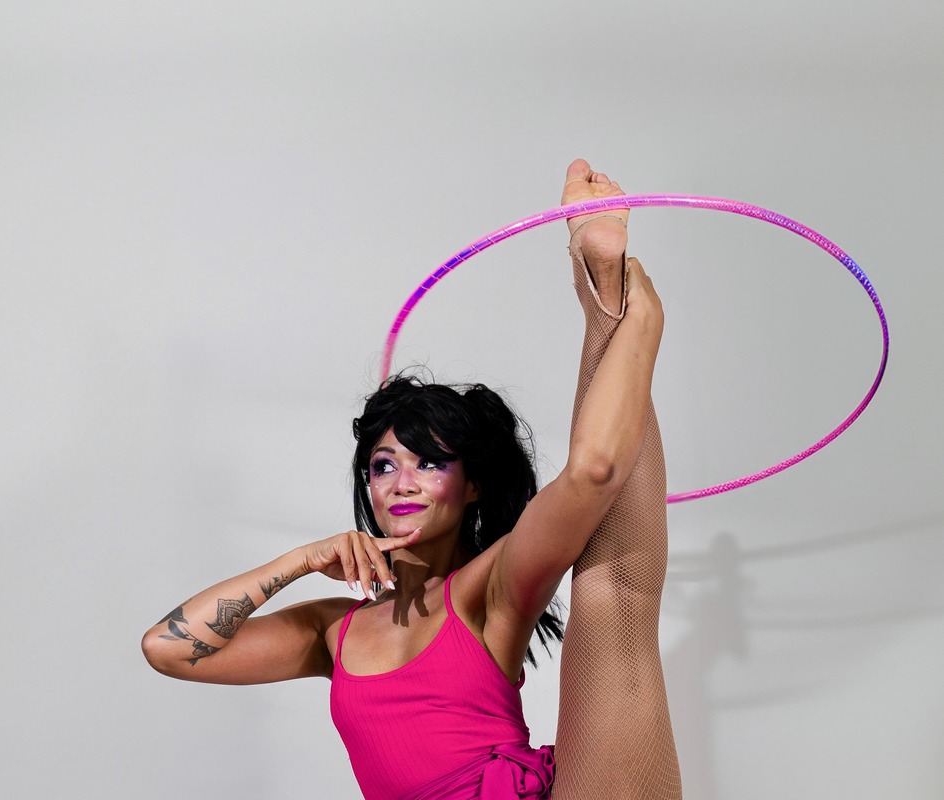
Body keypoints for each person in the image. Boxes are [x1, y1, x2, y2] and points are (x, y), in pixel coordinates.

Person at [141, 159, 682, 800]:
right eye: (384, 465)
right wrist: (301, 560)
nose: (401, 482)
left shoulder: (492, 587)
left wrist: (619, 301)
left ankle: (610, 297)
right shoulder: (332, 631)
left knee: (611, 592)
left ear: (472, 485)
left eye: (430, 462)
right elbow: (168, 648)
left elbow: (594, 472)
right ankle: (616, 304)